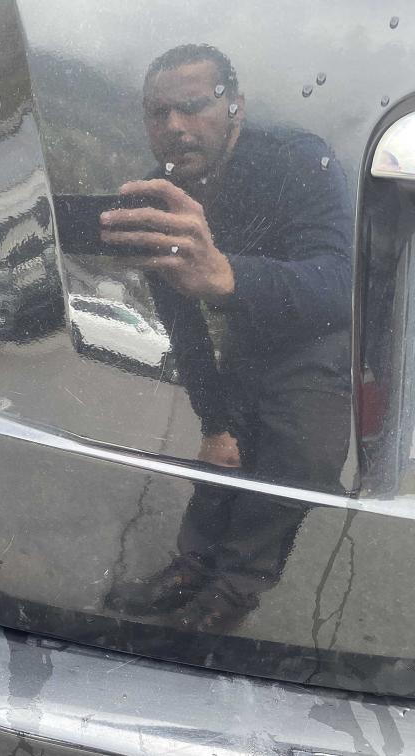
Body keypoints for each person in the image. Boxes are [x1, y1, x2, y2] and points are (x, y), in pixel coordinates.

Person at [101, 44, 353, 632]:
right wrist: (212, 423)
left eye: (192, 106)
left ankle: (232, 591)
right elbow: (182, 321)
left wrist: (227, 275)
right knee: (225, 455)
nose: (174, 126)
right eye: (157, 112)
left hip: (317, 338)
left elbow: (340, 283)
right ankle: (193, 566)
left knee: (293, 463)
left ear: (235, 105)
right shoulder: (161, 192)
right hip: (246, 331)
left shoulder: (296, 159)